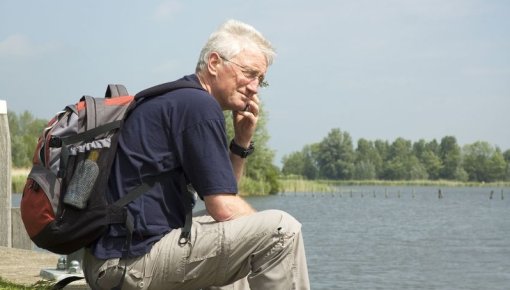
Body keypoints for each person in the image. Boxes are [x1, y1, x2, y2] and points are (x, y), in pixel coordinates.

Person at [83, 19, 310, 290]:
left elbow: (225, 194)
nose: (254, 87)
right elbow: (224, 208)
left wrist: (241, 141)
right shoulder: (199, 105)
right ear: (214, 63)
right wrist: (260, 232)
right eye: (249, 73)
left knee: (236, 234)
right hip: (129, 265)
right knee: (282, 230)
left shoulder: (179, 98)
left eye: (261, 80)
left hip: (109, 261)